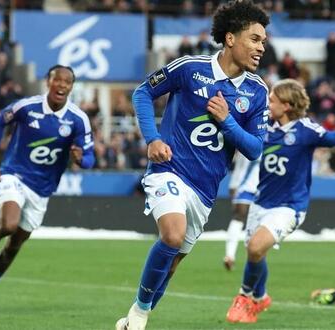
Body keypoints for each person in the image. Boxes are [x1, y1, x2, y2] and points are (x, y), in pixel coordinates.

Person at [115, 1, 270, 329]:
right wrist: (153, 139)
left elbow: (255, 149)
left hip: (205, 189)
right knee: (172, 236)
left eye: (264, 42)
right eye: (255, 39)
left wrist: (227, 121)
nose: (261, 48)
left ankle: (132, 317)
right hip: (169, 170)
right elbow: (143, 92)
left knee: (170, 267)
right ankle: (140, 315)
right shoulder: (190, 68)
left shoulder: (257, 93)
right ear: (230, 39)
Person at [225, 79, 335, 324]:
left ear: (286, 105)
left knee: (255, 247)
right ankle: (261, 297)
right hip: (261, 203)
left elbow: (332, 139)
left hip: (289, 206)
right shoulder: (265, 129)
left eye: (272, 100)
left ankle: (244, 297)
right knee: (257, 253)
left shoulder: (305, 129)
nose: (268, 103)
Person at [0, 65, 95, 313]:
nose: (61, 85)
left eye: (67, 82)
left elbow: (90, 159)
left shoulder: (78, 119)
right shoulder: (26, 107)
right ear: (47, 83)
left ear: (72, 87)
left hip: (43, 190)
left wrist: (81, 159)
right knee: (8, 225)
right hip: (14, 174)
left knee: (14, 247)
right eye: (56, 80)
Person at [224, 152, 260, 271]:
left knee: (239, 219)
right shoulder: (264, 141)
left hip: (246, 187)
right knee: (250, 221)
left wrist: (233, 185)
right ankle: (250, 257)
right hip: (252, 187)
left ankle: (230, 255)